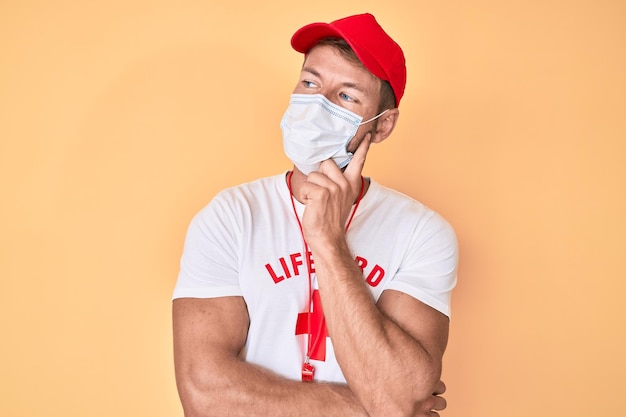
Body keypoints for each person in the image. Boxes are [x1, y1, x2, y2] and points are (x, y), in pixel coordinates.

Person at [172, 13, 458, 417]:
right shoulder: (230, 216)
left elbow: (402, 397)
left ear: (382, 125)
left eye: (346, 96)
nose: (317, 105)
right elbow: (203, 395)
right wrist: (369, 405)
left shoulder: (422, 233)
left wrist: (328, 241)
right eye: (310, 83)